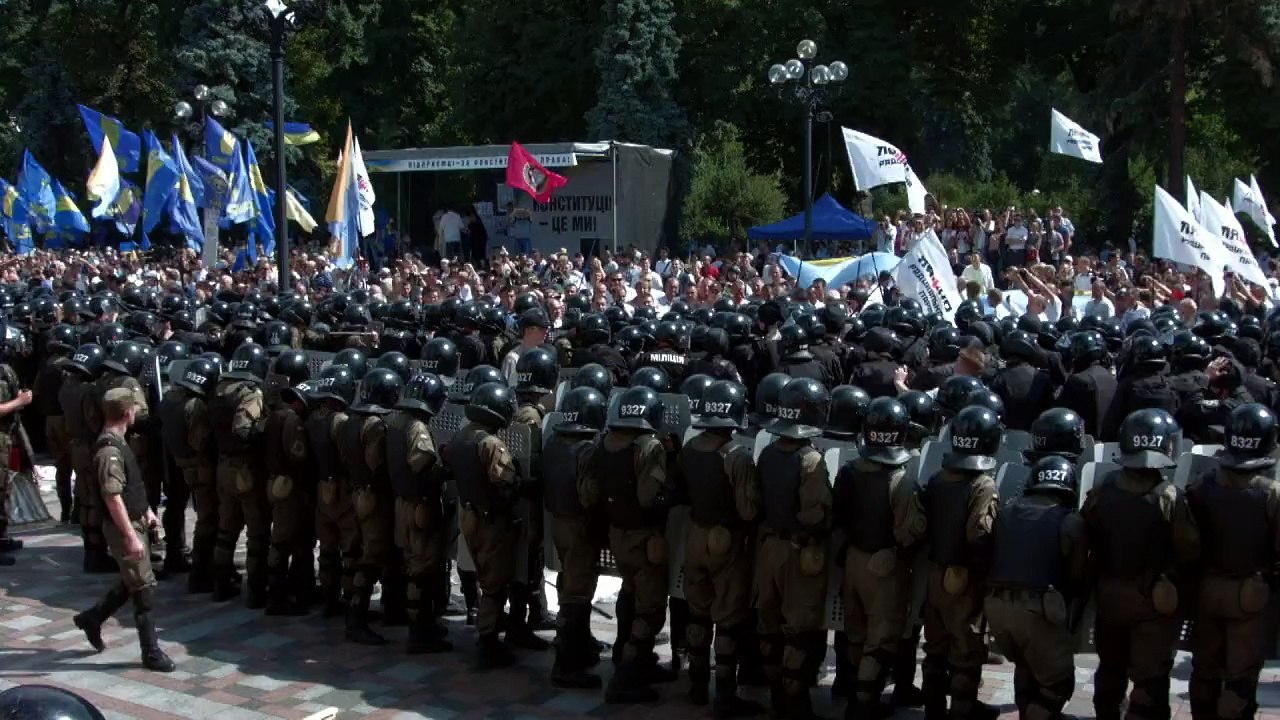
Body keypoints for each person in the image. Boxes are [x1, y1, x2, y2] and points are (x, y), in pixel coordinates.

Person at [1081, 409, 1200, 720]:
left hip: (1108, 594)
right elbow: (1189, 549)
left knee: (1110, 666)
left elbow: (1083, 532)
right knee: (1151, 675)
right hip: (1152, 602)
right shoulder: (1169, 496)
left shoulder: (1104, 487)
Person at [579, 385, 676, 703]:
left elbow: (591, 491)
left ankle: (628, 656)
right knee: (649, 609)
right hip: (644, 537)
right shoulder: (649, 446)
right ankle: (626, 678)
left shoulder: (604, 442)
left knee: (630, 593)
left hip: (617, 533)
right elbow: (649, 498)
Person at [832, 397, 926, 720]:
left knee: (856, 633)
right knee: (881, 638)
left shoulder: (849, 470)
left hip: (854, 561)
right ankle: (865, 705)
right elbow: (908, 533)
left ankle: (855, 694)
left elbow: (838, 517)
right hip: (885, 566)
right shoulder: (902, 480)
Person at [1186, 404, 1280, 720]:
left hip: (1207, 590)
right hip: (1252, 596)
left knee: (1205, 671)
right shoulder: (1272, 495)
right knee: (1240, 678)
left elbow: (1186, 542)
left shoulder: (1203, 485)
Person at [71, 387, 175, 672]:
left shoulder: (119, 442)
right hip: (122, 527)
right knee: (143, 589)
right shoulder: (109, 451)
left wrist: (147, 511)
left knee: (135, 579)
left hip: (134, 519)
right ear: (128, 413)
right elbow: (112, 496)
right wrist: (130, 537)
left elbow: (130, 488)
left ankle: (93, 617)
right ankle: (151, 652)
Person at [677, 380, 765, 717]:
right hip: (726, 543)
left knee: (698, 613)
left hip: (695, 535)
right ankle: (725, 696)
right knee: (728, 620)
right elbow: (748, 510)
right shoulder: (736, 456)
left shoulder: (689, 449)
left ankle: (697, 686)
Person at [984, 455, 1086, 720]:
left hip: (996, 606)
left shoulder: (1006, 511)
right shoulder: (1070, 521)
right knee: (1058, 681)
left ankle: (1029, 710)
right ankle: (1036, 715)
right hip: (1039, 609)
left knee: (1026, 664)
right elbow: (1076, 574)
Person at [755, 378, 832, 719]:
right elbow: (815, 513)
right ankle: (795, 704)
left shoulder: (769, 451)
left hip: (768, 547)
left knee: (769, 625)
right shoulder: (811, 459)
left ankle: (776, 697)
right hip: (798, 553)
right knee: (798, 631)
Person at [920, 405, 1002, 720]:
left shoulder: (939, 478)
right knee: (966, 651)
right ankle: (962, 710)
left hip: (936, 572)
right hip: (964, 578)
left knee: (936, 647)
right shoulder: (982, 484)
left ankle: (933, 710)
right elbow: (980, 535)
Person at [445, 381, 526, 669]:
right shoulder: (491, 443)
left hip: (469, 515)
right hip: (491, 520)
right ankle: (489, 640)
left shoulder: (462, 435)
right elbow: (506, 483)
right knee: (494, 584)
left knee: (481, 574)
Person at [386, 372, 454, 654]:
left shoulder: (394, 422)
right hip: (420, 507)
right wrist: (448, 467)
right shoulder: (416, 428)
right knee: (423, 570)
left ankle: (422, 624)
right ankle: (420, 631)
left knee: (413, 564)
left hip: (402, 504)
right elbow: (424, 468)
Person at [545, 386, 608, 689]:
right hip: (580, 527)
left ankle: (579, 649)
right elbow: (590, 496)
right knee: (578, 592)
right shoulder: (588, 450)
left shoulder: (554, 443)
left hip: (558, 521)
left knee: (569, 582)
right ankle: (567, 665)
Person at [340, 367, 405, 645]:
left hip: (355, 492)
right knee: (373, 556)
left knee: (367, 551)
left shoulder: (348, 420)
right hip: (375, 496)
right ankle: (356, 618)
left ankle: (384, 609)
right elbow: (377, 463)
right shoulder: (376, 425)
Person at [210, 343, 270, 606]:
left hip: (222, 466)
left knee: (226, 528)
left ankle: (220, 583)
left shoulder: (220, 388)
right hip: (245, 470)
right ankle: (256, 591)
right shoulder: (250, 393)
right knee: (256, 533)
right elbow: (243, 430)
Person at [156, 356, 220, 593]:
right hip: (198, 466)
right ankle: (201, 571)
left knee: (174, 508)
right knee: (207, 517)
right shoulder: (196, 406)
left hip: (175, 462)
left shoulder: (170, 397)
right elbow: (200, 441)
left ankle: (175, 553)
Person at [261, 351, 313, 617]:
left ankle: (284, 590)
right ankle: (277, 596)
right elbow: (299, 454)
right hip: (288, 488)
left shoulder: (273, 413)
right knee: (283, 541)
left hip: (275, 484)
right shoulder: (291, 420)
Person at [307, 365, 360, 619]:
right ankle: (349, 600)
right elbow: (348, 457)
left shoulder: (314, 417)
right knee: (350, 549)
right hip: (342, 490)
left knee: (327, 549)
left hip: (321, 488)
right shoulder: (340, 421)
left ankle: (329, 597)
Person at [62, 344, 113, 572]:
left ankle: (90, 550)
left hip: (75, 446)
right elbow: (94, 423)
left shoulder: (66, 386)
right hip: (91, 447)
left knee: (83, 498)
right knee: (94, 501)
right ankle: (97, 554)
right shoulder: (89, 390)